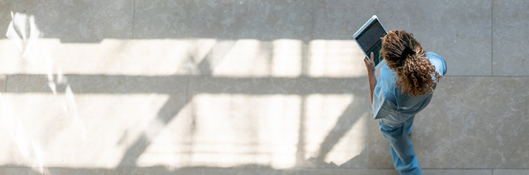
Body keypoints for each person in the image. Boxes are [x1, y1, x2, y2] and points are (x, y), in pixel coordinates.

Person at [363, 30, 447, 175]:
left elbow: (377, 108)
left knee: (403, 153)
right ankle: (406, 131)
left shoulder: (390, 86)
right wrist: (396, 44)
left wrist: (370, 72)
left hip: (393, 120)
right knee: (407, 117)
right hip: (417, 105)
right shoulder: (436, 64)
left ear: (391, 64)